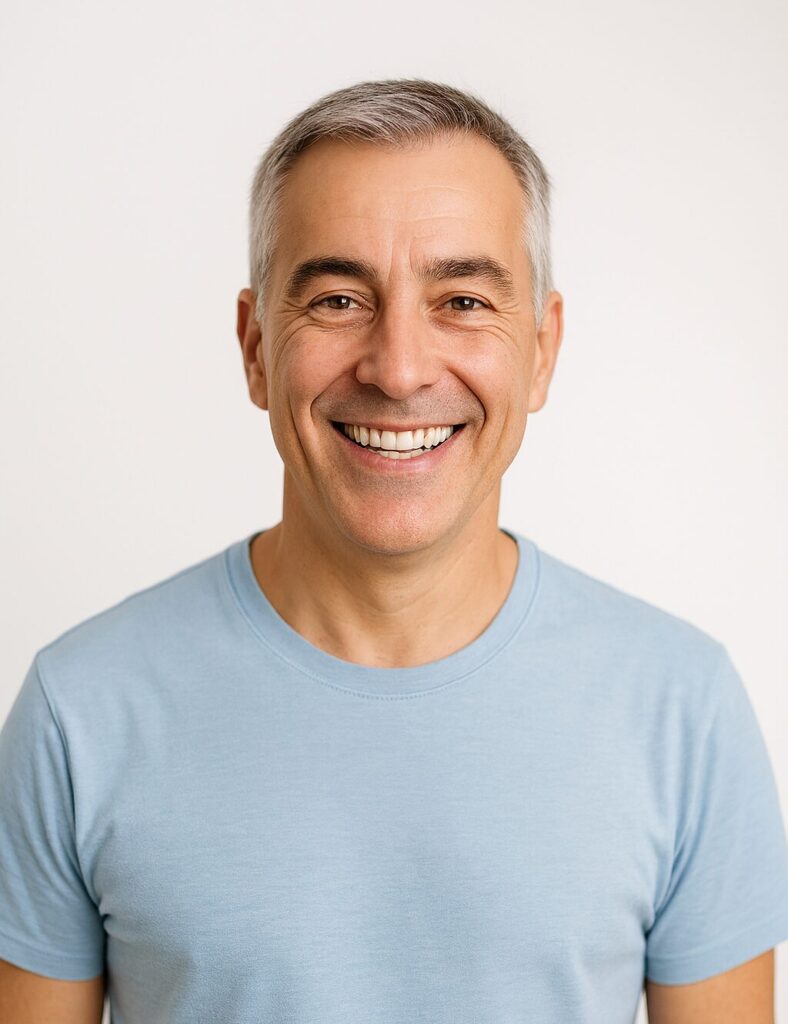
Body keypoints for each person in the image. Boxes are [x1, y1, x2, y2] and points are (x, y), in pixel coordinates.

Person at [1, 79, 786, 1024]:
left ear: (542, 349)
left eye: (461, 299)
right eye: (338, 299)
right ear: (255, 348)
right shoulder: (78, 712)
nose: (400, 367)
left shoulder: (681, 708)